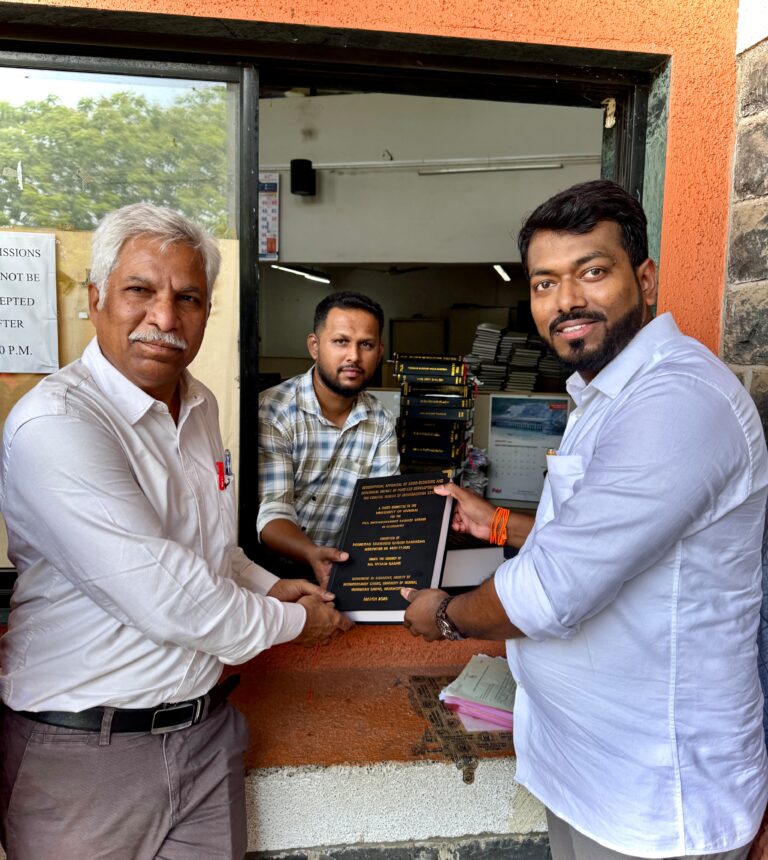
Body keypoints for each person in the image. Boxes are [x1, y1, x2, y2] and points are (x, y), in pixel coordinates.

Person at [403, 179, 768, 860]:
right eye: (545, 283)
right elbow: (601, 540)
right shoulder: (607, 393)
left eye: (592, 272)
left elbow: (551, 590)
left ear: (645, 278)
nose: (566, 300)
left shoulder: (677, 399)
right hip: (584, 775)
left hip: (656, 802)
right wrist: (502, 524)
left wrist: (445, 616)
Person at [0, 202, 353, 860]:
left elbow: (211, 548)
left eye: (187, 298)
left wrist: (271, 585)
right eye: (140, 290)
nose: (164, 318)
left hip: (204, 735)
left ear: (207, 312)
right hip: (87, 753)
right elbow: (168, 595)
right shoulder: (58, 424)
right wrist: (297, 622)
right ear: (96, 298)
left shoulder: (201, 405)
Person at [257, 291, 399, 587]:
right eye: (341, 341)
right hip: (269, 572)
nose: (354, 356)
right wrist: (312, 554)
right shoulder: (273, 411)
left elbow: (381, 512)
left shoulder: (381, 421)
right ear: (314, 346)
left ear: (379, 351)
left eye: (366, 345)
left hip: (344, 568)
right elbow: (273, 511)